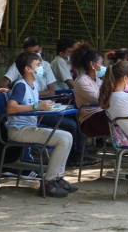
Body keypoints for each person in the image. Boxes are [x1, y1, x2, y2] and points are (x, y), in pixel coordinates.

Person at [6, 52, 76, 198]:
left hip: (29, 127)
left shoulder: (34, 84)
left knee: (68, 136)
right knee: (62, 140)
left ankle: (58, 177)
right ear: (27, 69)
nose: (41, 68)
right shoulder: (21, 85)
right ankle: (48, 182)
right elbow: (11, 108)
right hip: (18, 129)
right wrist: (37, 107)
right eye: (38, 65)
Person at [72, 43, 110, 138]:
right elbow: (99, 98)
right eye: (101, 63)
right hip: (90, 120)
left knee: (124, 115)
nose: (103, 66)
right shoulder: (82, 81)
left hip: (101, 114)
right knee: (121, 118)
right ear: (92, 64)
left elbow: (108, 94)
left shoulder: (98, 80)